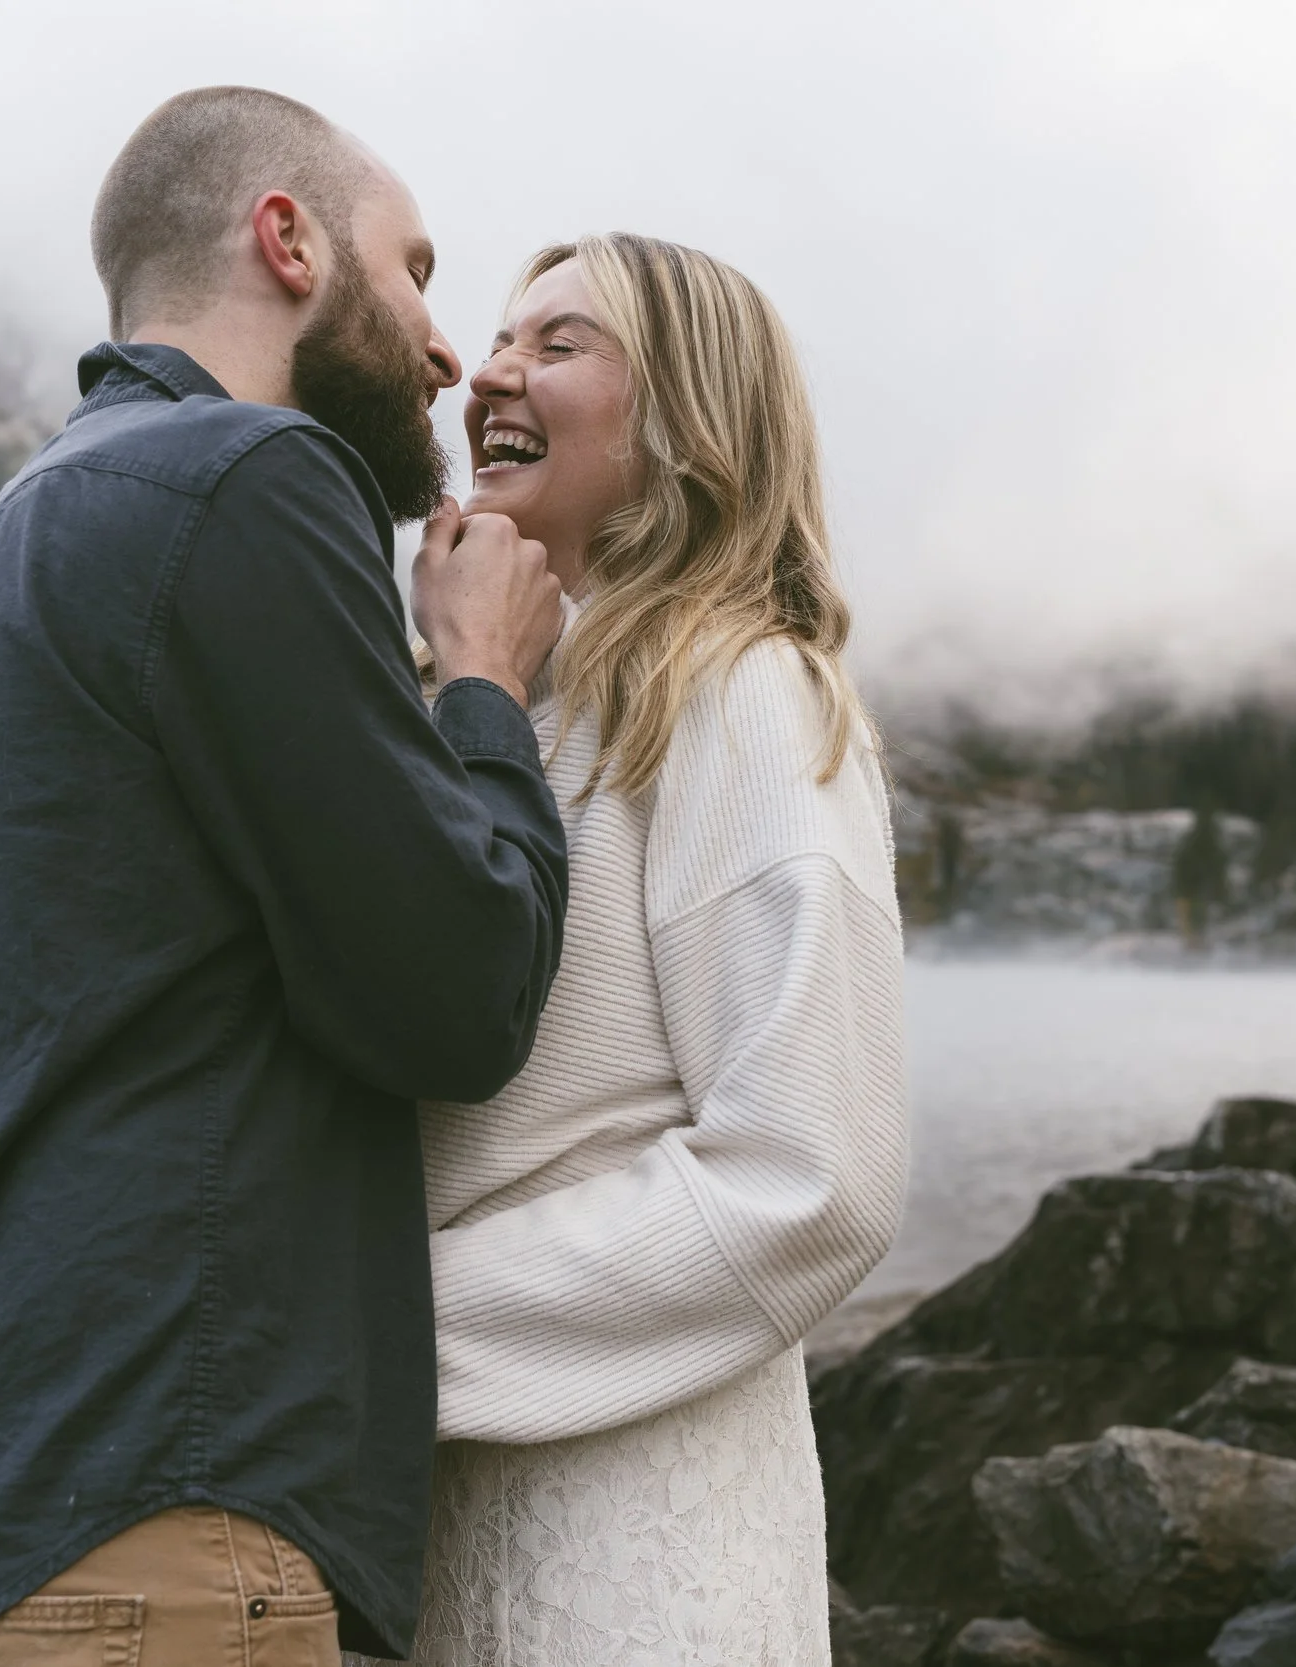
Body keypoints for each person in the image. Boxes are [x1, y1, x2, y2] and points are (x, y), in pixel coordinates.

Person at [0, 88, 571, 1667]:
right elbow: (457, 991)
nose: (440, 348)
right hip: (146, 1536)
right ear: (286, 239)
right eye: (414, 270)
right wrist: (482, 684)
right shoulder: (245, 480)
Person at [387, 234, 912, 1666]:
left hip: (634, 1553)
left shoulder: (743, 690)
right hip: (425, 1515)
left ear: (687, 418)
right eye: (500, 337)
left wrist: (376, 1331)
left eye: (558, 345)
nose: (489, 369)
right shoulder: (493, 706)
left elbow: (811, 1175)